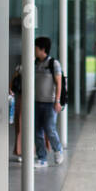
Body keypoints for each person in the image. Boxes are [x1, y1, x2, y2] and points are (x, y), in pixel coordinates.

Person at [34, 36, 64, 164]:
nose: (33, 50)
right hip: (36, 102)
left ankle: (58, 150)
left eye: (35, 48)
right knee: (37, 132)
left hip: (50, 103)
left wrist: (57, 101)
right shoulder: (34, 63)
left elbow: (59, 83)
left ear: (42, 49)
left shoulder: (53, 64)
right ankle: (42, 158)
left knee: (50, 129)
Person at [10, 62, 23, 161]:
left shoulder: (19, 68)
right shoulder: (20, 68)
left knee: (20, 126)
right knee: (20, 126)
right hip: (22, 99)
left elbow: (11, 85)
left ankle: (20, 152)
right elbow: (11, 85)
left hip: (22, 99)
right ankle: (20, 152)